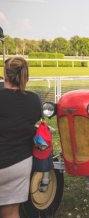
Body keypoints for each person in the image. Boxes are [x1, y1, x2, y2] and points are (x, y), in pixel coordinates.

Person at [0, 57, 42, 218]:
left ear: (5, 75)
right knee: (10, 213)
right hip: (19, 165)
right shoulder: (34, 99)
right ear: (26, 76)